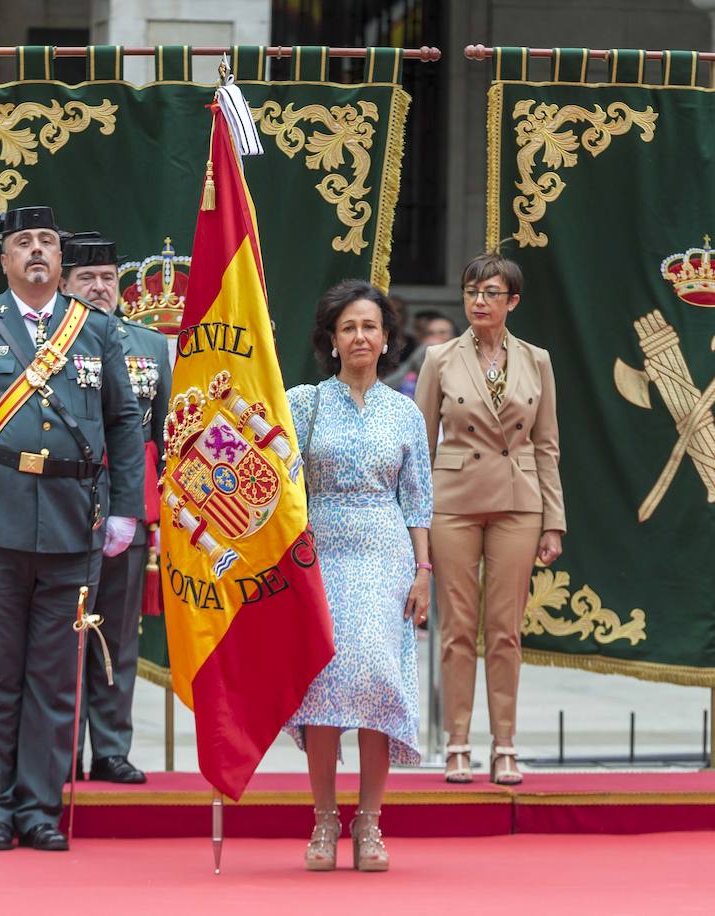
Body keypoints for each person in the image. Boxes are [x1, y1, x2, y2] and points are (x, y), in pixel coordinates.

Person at [0, 205, 143, 852]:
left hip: (76, 524)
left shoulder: (94, 330)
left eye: (47, 241)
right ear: (6, 258)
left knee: (55, 674)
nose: (37, 250)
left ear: (60, 261)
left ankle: (40, 807)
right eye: (25, 242)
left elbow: (124, 422)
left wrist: (127, 508)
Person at [285, 279, 432, 872]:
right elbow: (279, 486)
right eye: (348, 327)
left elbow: (419, 500)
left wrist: (424, 571)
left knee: (376, 684)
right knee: (323, 691)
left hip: (386, 558)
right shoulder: (305, 402)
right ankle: (324, 821)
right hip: (321, 557)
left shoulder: (405, 412)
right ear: (331, 339)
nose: (360, 336)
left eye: (370, 326)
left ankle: (369, 823)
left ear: (387, 336)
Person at [414, 252, 565, 786]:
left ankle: (505, 745)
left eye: (491, 293)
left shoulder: (537, 360)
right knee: (456, 629)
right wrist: (417, 519)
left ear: (513, 302)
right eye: (472, 292)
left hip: (519, 501)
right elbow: (420, 443)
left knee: (505, 631)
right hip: (452, 499)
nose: (479, 301)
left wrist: (554, 521)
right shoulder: (439, 359)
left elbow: (546, 446)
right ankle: (457, 743)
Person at [59, 232, 168, 784]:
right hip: (61, 504)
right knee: (60, 635)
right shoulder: (47, 342)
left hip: (128, 504)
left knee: (118, 635)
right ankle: (60, 749)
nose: (100, 287)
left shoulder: (149, 345)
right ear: (63, 284)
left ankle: (111, 748)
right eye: (87, 279)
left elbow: (167, 434)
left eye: (108, 278)